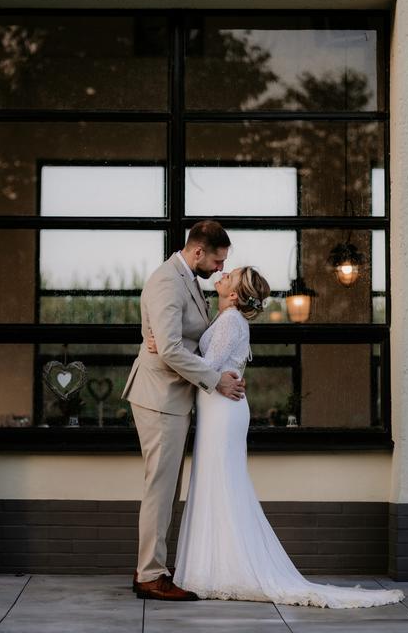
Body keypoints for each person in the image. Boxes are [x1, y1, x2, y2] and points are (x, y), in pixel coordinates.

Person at [147, 266, 405, 608]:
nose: (223, 274)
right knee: (213, 484)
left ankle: (222, 570)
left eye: (230, 276)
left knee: (221, 484)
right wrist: (173, 347)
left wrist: (167, 348)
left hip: (222, 413)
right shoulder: (225, 318)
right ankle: (210, 566)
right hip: (216, 409)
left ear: (234, 295)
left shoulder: (230, 321)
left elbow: (207, 366)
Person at [121, 220, 246, 602]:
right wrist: (216, 379)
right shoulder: (167, 281)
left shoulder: (188, 279)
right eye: (218, 261)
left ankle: (153, 566)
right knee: (160, 489)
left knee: (166, 488)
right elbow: (171, 349)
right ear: (198, 252)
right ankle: (150, 575)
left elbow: (178, 343)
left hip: (174, 397)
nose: (221, 268)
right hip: (159, 398)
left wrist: (171, 346)